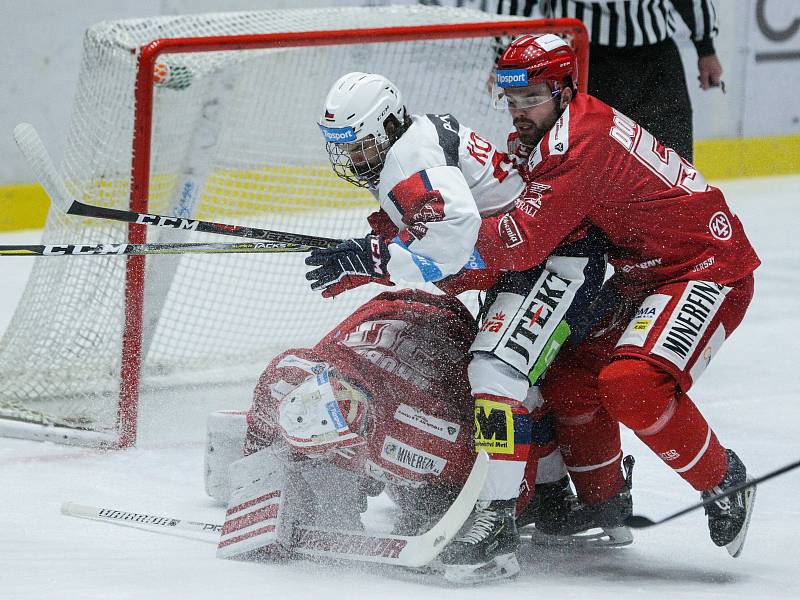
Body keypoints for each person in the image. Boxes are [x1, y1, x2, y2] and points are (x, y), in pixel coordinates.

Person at [305, 72, 611, 582]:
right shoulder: (411, 141)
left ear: (385, 124)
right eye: (345, 149)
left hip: (556, 261)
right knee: (521, 383)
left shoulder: (409, 155)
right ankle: (552, 498)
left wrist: (376, 259)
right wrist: (385, 246)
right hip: (531, 259)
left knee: (495, 373)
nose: (353, 160)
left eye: (360, 146)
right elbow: (463, 241)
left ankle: (496, 527)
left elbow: (451, 242)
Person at [475, 33, 759, 558]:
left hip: (705, 266)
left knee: (632, 383)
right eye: (510, 100)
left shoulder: (578, 142)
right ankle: (602, 500)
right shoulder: (551, 131)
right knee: (566, 369)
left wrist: (428, 248)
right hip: (643, 274)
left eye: (530, 98)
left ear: (564, 89)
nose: (517, 112)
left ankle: (725, 480)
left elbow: (522, 243)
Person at [206, 290, 595, 565]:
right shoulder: (286, 378)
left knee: (426, 502)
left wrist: (494, 510)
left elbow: (497, 466)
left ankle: (555, 485)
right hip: (387, 316)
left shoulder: (421, 434)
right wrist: (257, 481)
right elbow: (265, 419)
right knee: (315, 466)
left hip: (445, 330)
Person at [475, 0, 722, 162]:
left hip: (654, 59)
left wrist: (706, 48)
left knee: (671, 156)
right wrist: (504, 58)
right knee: (585, 161)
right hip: (580, 58)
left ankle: (669, 235)